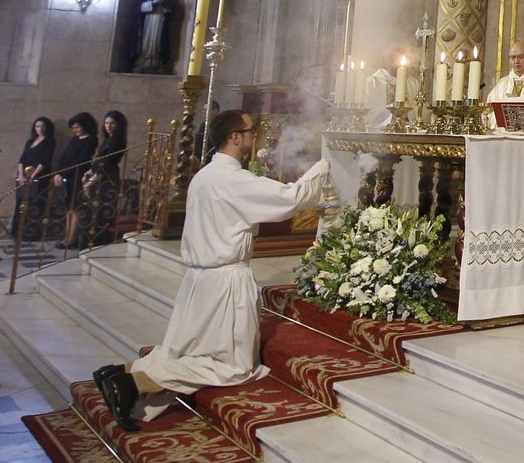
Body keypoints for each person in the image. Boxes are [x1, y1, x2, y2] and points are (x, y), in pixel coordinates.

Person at [93, 109, 329, 430]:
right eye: (250, 131)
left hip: (198, 281)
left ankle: (122, 371)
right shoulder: (234, 179)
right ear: (235, 137)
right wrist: (326, 163)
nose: (253, 136)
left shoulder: (204, 175)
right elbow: (293, 197)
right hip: (226, 281)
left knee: (190, 349)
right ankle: (133, 385)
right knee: (235, 367)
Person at [75, 110, 128, 248]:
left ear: (118, 125)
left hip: (107, 178)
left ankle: (97, 245)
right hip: (100, 176)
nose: (108, 126)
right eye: (106, 123)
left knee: (99, 213)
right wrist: (88, 173)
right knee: (91, 213)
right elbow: (98, 161)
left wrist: (91, 181)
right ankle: (88, 244)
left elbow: (107, 162)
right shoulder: (107, 140)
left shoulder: (117, 140)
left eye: (112, 123)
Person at [55, 112, 98, 248]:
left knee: (76, 207)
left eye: (77, 127)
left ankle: (72, 238)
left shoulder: (91, 139)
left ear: (85, 126)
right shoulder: (74, 139)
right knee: (69, 208)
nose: (75, 130)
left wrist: (65, 173)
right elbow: (64, 156)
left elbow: (82, 159)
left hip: (78, 176)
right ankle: (66, 237)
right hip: (67, 176)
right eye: (73, 128)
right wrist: (58, 173)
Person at [12, 117, 56, 241]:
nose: (40, 129)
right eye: (37, 126)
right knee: (21, 203)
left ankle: (32, 233)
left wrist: (32, 176)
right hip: (23, 176)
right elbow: (22, 159)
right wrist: (20, 175)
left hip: (39, 176)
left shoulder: (50, 141)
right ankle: (17, 233)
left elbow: (45, 161)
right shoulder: (30, 141)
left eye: (42, 126)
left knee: (36, 203)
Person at [133, 0, 172, 73]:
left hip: (159, 20)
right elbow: (141, 7)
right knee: (146, 39)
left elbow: (169, 11)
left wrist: (163, 5)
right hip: (149, 20)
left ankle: (156, 61)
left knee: (157, 40)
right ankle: (143, 59)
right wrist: (154, 3)